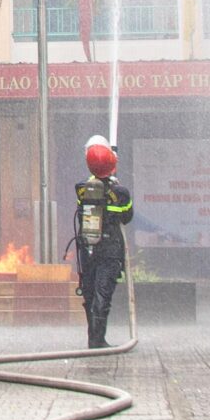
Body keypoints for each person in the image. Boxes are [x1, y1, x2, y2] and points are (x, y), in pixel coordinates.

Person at [69, 136, 135, 348]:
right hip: (110, 250)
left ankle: (93, 338)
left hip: (87, 248)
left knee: (89, 293)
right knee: (102, 293)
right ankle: (98, 340)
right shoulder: (121, 193)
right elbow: (126, 217)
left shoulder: (82, 189)